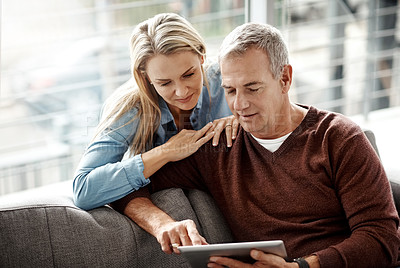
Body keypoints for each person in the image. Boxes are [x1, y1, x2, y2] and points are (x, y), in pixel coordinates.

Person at [111, 22, 400, 267]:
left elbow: (382, 238)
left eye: (252, 88)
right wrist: (161, 224)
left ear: (284, 78)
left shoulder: (338, 137)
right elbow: (128, 187)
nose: (240, 104)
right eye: (230, 90)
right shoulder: (218, 145)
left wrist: (301, 266)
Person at [72, 13, 239, 211]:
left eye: (189, 74)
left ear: (201, 55)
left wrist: (243, 120)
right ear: (146, 78)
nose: (181, 91)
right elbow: (83, 190)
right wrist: (166, 152)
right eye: (165, 83)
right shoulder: (131, 108)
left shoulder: (229, 80)